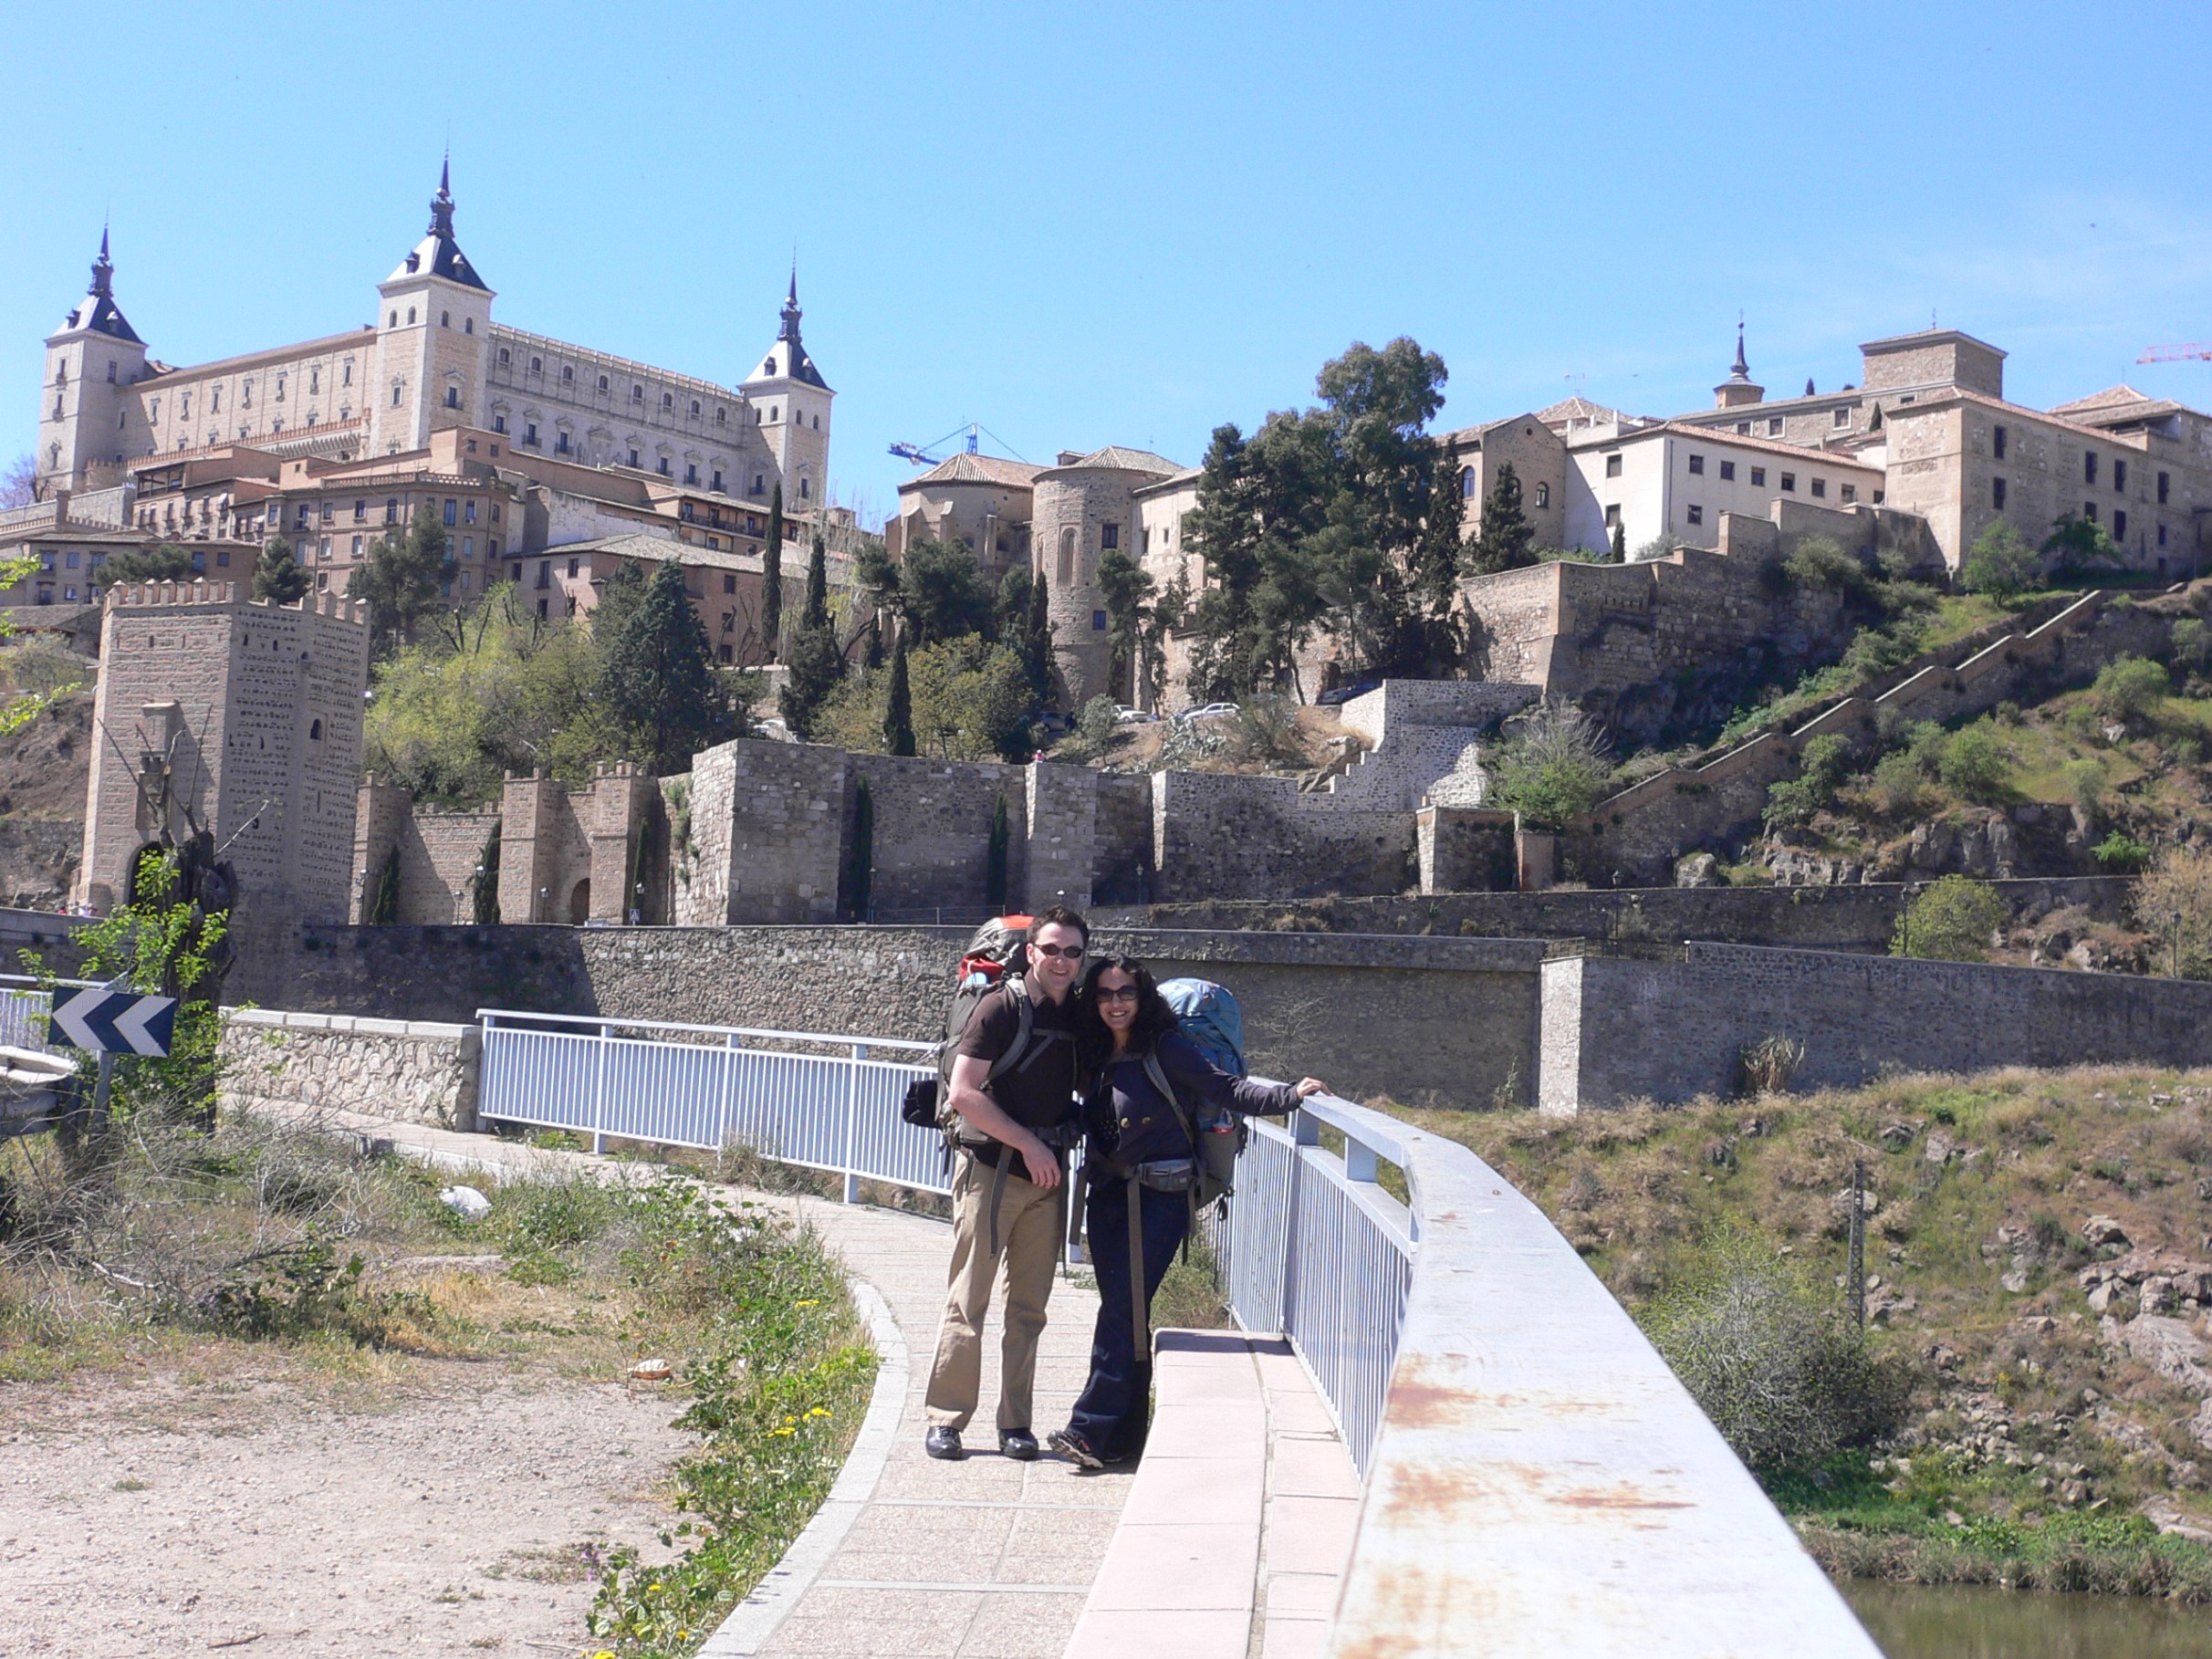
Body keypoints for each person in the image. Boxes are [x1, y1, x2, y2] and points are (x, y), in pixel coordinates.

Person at [1048, 955, 1326, 1468]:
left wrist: (1290, 1095)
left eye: (1126, 992)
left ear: (1143, 997)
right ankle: (1123, 1439)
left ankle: (1088, 1430)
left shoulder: (1167, 1047)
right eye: (1105, 993)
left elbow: (1226, 1088)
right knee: (1126, 1312)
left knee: (1120, 1310)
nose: (1115, 1003)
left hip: (1159, 1199)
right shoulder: (1097, 1052)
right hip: (1107, 1195)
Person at [923, 905, 1089, 1461]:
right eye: (1051, 949)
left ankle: (1015, 1424)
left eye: (1072, 952)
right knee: (968, 1300)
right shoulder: (1000, 1007)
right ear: (1031, 952)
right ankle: (946, 1419)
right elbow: (963, 1093)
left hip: (1046, 1180)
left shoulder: (1078, 1016)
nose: (1061, 960)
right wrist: (1029, 1144)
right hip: (991, 1172)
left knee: (1029, 1310)